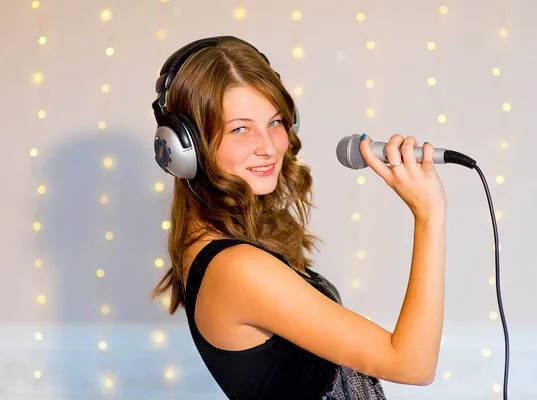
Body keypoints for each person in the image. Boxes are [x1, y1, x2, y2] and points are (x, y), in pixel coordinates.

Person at [151, 36, 447, 400]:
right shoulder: (238, 268)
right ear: (186, 147)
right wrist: (429, 216)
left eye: (275, 122)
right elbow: (412, 364)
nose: (270, 145)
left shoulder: (228, 253)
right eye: (240, 128)